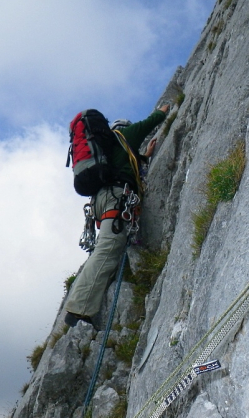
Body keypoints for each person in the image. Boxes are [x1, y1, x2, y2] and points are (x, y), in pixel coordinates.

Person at [64, 105, 169, 329]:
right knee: (108, 249)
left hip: (102, 202)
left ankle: (89, 298)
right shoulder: (124, 136)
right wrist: (163, 110)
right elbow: (150, 122)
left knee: (108, 245)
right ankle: (78, 308)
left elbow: (125, 166)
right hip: (117, 198)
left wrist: (143, 157)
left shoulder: (108, 148)